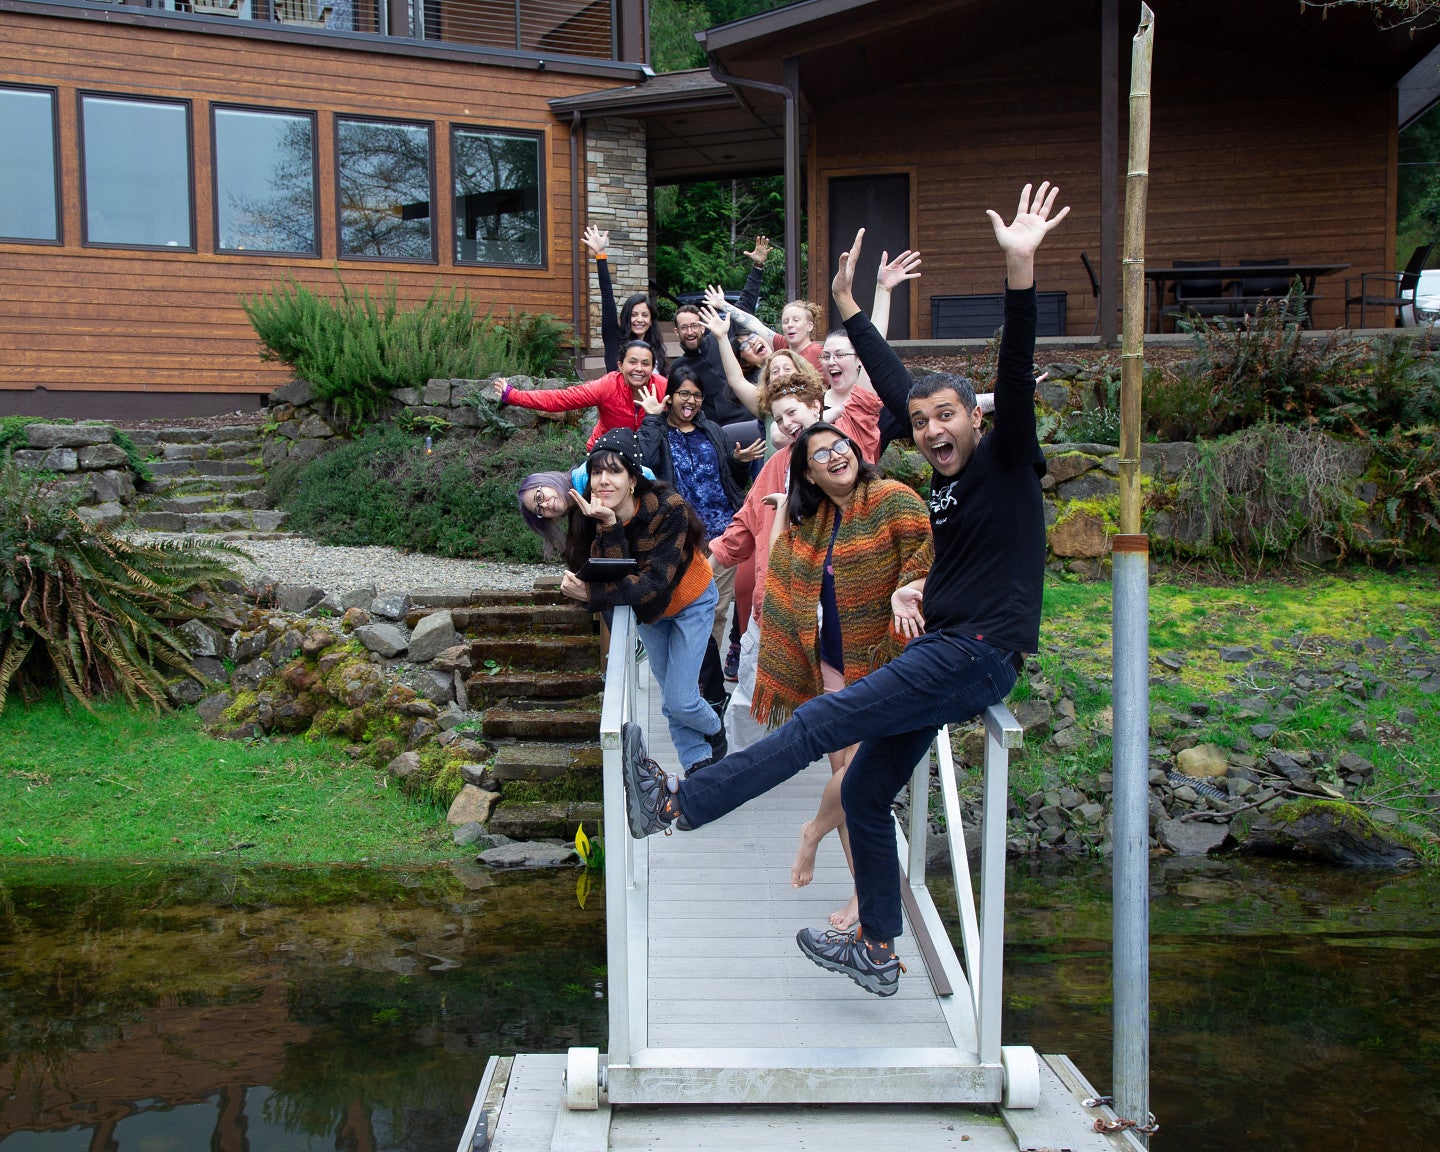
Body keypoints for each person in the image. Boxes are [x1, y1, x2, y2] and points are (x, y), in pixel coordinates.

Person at [619, 180, 1068, 997]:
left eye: (948, 418)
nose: (931, 429)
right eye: (923, 420)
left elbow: (1015, 360)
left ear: (978, 420)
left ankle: (684, 803)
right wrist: (849, 306)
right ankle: (880, 949)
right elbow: (891, 383)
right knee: (864, 786)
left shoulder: (1006, 464)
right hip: (944, 646)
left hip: (978, 650)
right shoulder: (936, 470)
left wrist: (1020, 272)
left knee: (825, 721)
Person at [753, 422, 932, 932]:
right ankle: (861, 892)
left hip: (886, 664)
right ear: (808, 472)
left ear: (855, 450)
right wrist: (786, 512)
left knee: (857, 783)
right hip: (832, 665)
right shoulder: (815, 520)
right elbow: (784, 568)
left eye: (840, 446)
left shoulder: (894, 500)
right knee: (850, 783)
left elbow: (926, 561)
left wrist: (908, 599)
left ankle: (812, 831)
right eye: (820, 454)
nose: (835, 456)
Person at [707, 345, 885, 755]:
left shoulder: (845, 451)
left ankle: (846, 776)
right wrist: (704, 572)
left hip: (831, 606)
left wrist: (879, 295)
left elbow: (870, 390)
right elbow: (743, 527)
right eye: (780, 417)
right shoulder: (776, 465)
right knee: (752, 695)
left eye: (795, 413)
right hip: (774, 606)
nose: (788, 423)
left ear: (817, 406)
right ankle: (736, 768)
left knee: (837, 698)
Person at [561, 428, 727, 776]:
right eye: (596, 472)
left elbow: (652, 583)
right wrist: (608, 525)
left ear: (633, 479)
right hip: (650, 613)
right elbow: (617, 577)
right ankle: (697, 762)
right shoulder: (595, 515)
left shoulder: (669, 509)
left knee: (681, 698)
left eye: (614, 471)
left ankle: (714, 729)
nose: (603, 480)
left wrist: (590, 595)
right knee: (671, 697)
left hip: (691, 599)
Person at [637, 363, 762, 654]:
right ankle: (685, 670)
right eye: (683, 393)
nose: (690, 401)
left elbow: (731, 482)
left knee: (716, 609)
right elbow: (644, 460)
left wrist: (739, 462)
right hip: (681, 537)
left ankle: (707, 680)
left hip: (721, 535)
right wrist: (652, 419)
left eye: (697, 395)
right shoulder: (659, 430)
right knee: (683, 606)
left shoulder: (713, 431)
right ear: (669, 397)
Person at [490, 340, 666, 449]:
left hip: (647, 451)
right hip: (606, 450)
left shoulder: (663, 387)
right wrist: (512, 395)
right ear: (620, 365)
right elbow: (562, 399)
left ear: (652, 368)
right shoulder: (607, 386)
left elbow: (687, 400)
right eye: (632, 362)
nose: (639, 369)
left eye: (645, 364)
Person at [670, 238, 770, 427]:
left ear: (702, 326)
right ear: (677, 332)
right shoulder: (679, 367)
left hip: (753, 413)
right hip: (722, 429)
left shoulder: (721, 337)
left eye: (694, 325)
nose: (690, 331)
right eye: (684, 328)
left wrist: (758, 265)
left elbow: (745, 305)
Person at [581, 225, 667, 374]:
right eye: (634, 314)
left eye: (644, 315)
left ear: (651, 320)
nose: (639, 319)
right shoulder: (614, 339)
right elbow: (607, 295)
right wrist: (601, 255)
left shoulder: (656, 348)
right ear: (627, 317)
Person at [517, 470, 576, 557]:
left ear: (547, 481)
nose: (544, 505)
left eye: (539, 497)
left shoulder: (587, 478)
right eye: (539, 510)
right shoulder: (577, 516)